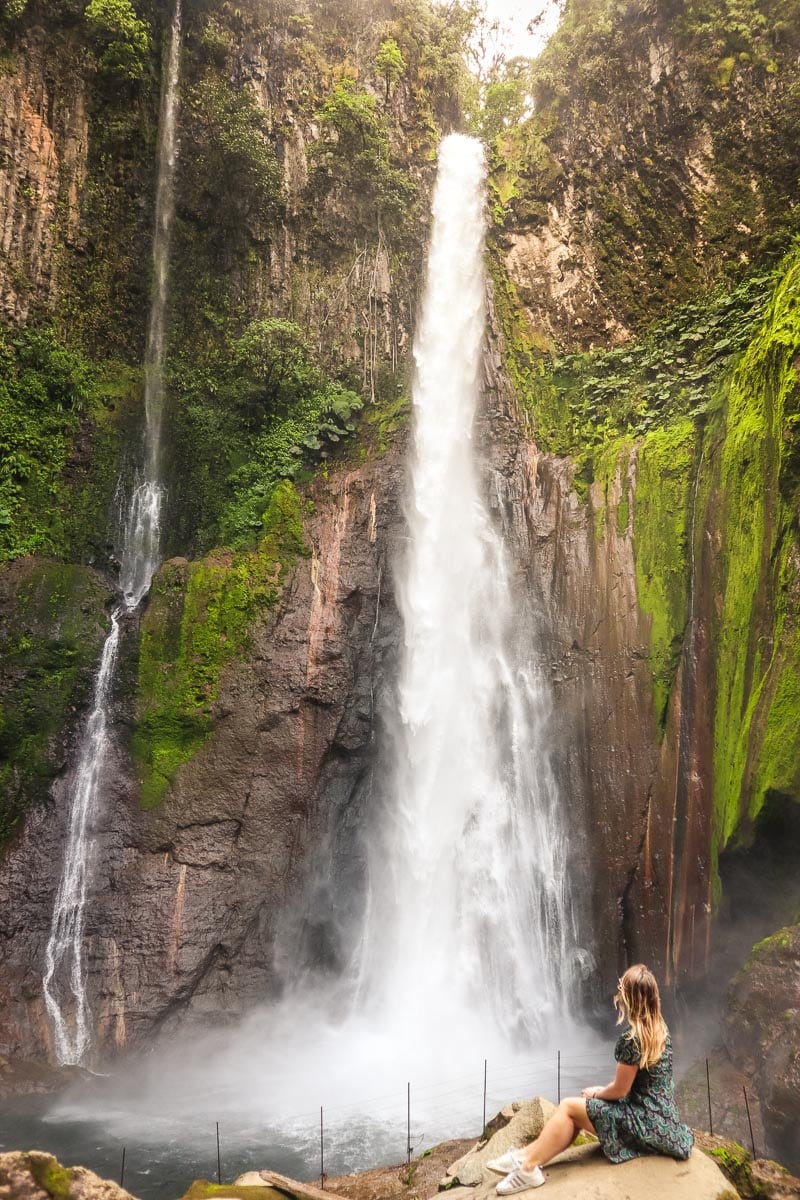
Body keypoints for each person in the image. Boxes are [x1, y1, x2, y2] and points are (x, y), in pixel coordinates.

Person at [488, 963, 694, 1193]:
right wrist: (600, 1093)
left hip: (642, 1125)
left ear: (628, 997)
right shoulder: (660, 1029)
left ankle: (527, 1170)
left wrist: (596, 1093)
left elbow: (619, 1092)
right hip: (661, 1120)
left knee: (568, 1107)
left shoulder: (632, 1038)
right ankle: (524, 1156)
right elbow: (630, 1088)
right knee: (577, 1111)